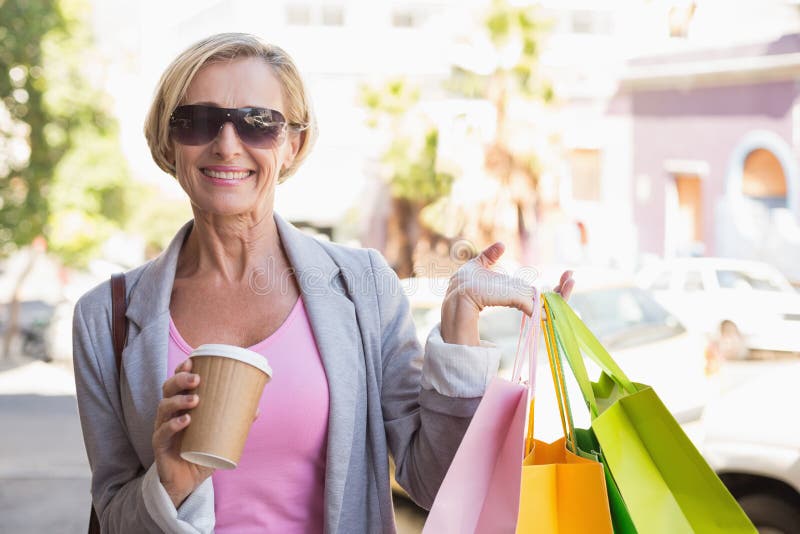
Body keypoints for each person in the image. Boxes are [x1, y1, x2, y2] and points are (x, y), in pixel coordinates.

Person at [72, 32, 575, 534]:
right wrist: (171, 481)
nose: (227, 145)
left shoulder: (363, 287)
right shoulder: (105, 317)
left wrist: (461, 322)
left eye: (257, 124)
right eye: (198, 121)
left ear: (293, 144)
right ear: (168, 140)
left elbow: (437, 483)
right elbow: (114, 513)